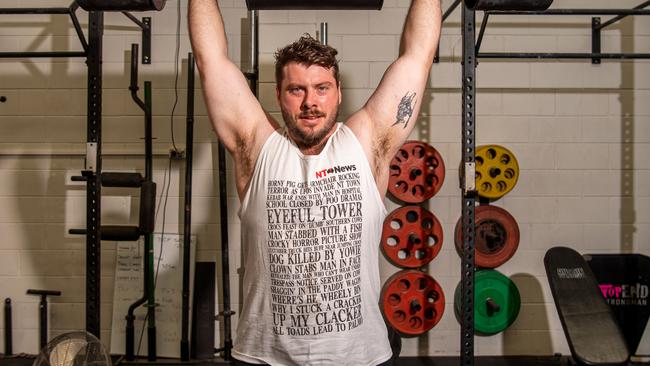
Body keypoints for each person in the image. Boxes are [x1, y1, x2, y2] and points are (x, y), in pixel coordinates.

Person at [189, 1, 441, 365]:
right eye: (296, 90)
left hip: (360, 357)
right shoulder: (256, 147)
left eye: (322, 88)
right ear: (278, 95)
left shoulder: (367, 144)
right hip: (264, 356)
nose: (310, 102)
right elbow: (210, 59)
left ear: (337, 92)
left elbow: (418, 55)